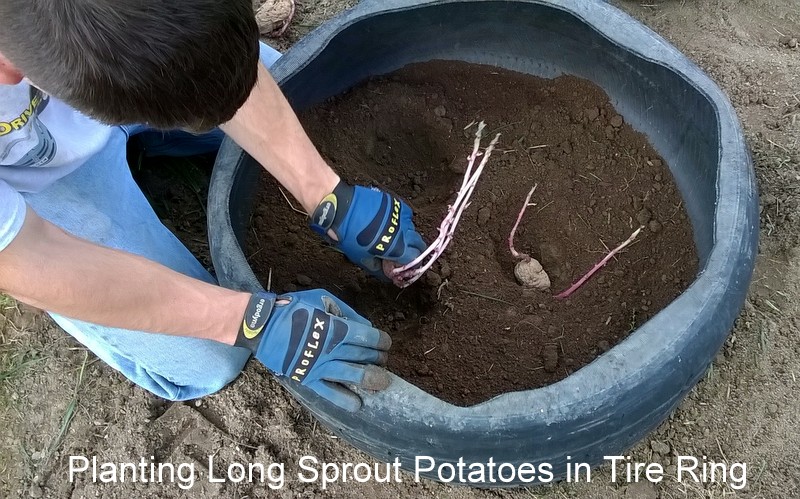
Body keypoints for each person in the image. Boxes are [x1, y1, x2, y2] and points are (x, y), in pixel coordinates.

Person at [0, 0, 426, 412]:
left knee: (306, 97)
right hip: (33, 183)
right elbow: (29, 259)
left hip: (122, 68)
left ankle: (156, 131)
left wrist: (328, 196)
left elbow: (216, 60)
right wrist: (252, 322)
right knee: (209, 360)